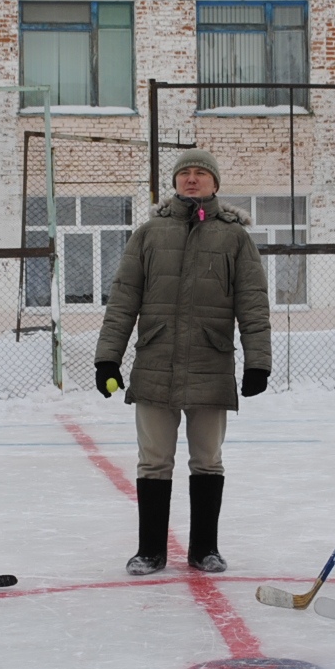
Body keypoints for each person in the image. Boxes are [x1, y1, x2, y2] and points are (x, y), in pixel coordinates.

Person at [95, 149, 273, 576]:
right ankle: (150, 550)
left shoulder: (235, 238)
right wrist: (108, 359)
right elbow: (123, 300)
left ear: (215, 183)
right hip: (156, 360)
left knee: (207, 459)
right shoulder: (149, 234)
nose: (192, 180)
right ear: (175, 182)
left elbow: (253, 304)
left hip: (210, 362)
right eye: (185, 174)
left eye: (201, 173)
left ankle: (204, 550)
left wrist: (257, 362)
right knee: (153, 459)